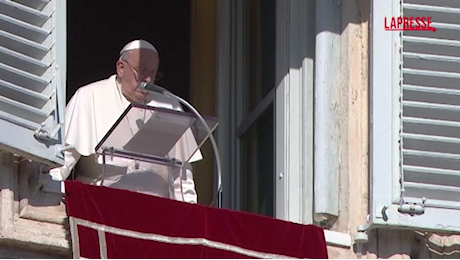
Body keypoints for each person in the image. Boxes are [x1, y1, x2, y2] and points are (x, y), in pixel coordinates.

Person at [46, 39, 201, 204]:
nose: (148, 79)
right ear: (121, 68)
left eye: (153, 73)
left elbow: (182, 177)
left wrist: (189, 210)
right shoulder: (89, 97)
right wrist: (51, 196)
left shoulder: (170, 105)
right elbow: (62, 161)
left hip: (157, 212)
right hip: (102, 207)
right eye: (141, 71)